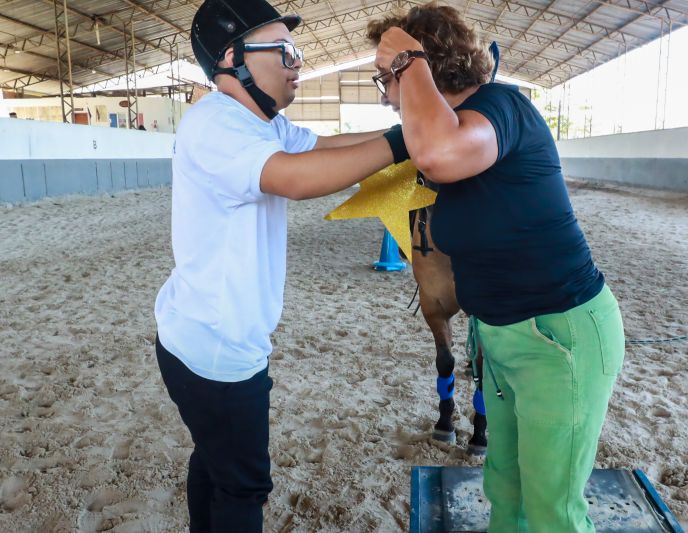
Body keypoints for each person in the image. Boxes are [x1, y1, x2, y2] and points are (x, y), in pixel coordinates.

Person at [368, 5, 625, 532]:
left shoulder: (502, 106)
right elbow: (363, 153)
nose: (384, 92)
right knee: (505, 489)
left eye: (384, 77)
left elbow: (440, 155)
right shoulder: (441, 130)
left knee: (554, 511)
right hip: (503, 338)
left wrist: (408, 61)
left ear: (422, 66)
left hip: (558, 339)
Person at [153, 1, 408, 531]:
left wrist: (404, 132)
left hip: (203, 333)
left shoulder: (263, 123)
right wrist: (404, 142)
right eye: (285, 51)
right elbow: (294, 178)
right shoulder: (216, 122)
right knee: (243, 487)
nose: (298, 63)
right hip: (218, 349)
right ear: (231, 58)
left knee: (215, 460)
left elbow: (326, 147)